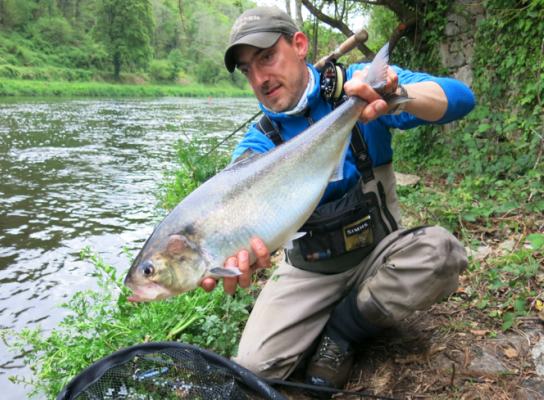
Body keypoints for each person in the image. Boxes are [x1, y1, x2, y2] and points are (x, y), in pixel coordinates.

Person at [200, 6, 475, 396]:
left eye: (266, 57)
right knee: (253, 368)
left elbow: (461, 98)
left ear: (299, 45)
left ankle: (342, 332)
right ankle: (344, 310)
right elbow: (231, 205)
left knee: (441, 252)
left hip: (382, 253)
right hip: (309, 274)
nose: (260, 78)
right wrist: (233, 246)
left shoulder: (358, 89)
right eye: (247, 69)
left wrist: (397, 94)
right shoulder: (256, 146)